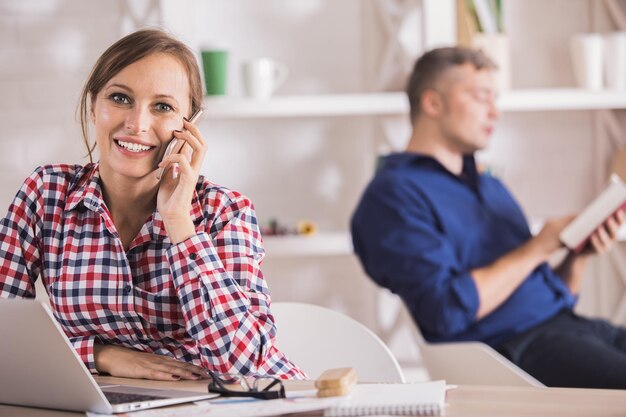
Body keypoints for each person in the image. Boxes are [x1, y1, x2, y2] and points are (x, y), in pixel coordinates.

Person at [0, 29, 305, 381]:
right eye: (120, 98)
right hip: (113, 402)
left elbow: (245, 367)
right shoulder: (46, 194)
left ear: (190, 124)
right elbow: (6, 334)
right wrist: (102, 356)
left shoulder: (224, 211)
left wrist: (179, 222)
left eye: (163, 107)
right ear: (92, 106)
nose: (137, 124)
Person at [351, 46, 626, 388]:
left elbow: (553, 295)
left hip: (573, 328)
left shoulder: (490, 185)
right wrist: (539, 246)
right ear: (433, 103)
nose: (495, 112)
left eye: (495, 98)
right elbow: (443, 313)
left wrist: (577, 256)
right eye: (481, 97)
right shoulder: (391, 197)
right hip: (509, 351)